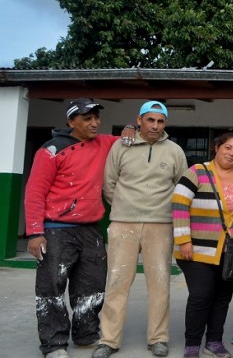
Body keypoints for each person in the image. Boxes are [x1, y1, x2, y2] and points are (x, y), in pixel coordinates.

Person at [24, 98, 134, 358]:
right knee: (52, 288)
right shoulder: (51, 150)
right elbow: (35, 192)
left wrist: (130, 126)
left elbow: (127, 136)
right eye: (87, 118)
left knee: (92, 286)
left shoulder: (104, 142)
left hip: (91, 228)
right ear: (71, 121)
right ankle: (54, 344)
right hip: (55, 229)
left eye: (96, 118)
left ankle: (86, 336)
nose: (94, 123)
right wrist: (35, 233)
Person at [92, 101, 188, 358]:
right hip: (123, 223)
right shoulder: (121, 146)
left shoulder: (175, 151)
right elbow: (109, 184)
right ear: (139, 120)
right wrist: (127, 208)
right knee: (117, 282)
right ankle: (108, 340)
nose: (155, 125)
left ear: (165, 123)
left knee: (159, 284)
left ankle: (158, 338)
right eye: (150, 120)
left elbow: (182, 188)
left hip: (161, 226)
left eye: (160, 121)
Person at [171, 132, 233, 358]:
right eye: (227, 148)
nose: (231, 153)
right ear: (216, 147)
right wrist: (183, 240)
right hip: (196, 249)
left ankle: (214, 341)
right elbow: (179, 204)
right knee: (201, 295)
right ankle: (192, 344)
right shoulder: (197, 171)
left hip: (231, 252)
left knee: (222, 298)